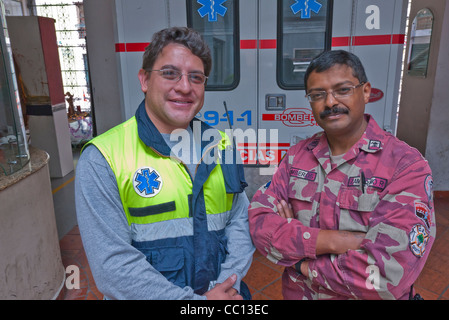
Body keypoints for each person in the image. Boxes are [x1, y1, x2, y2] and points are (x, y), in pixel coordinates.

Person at [75, 27, 254, 300]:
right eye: (170, 73)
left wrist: (227, 285)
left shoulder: (221, 144)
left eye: (196, 77)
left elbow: (240, 221)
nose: (184, 87)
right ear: (144, 80)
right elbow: (113, 266)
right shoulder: (103, 157)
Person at [248, 50, 436, 300]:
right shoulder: (296, 157)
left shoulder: (405, 166)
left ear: (366, 91)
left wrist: (300, 264)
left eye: (343, 90)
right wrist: (337, 241)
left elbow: (385, 276)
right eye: (317, 95)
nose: (329, 102)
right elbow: (260, 224)